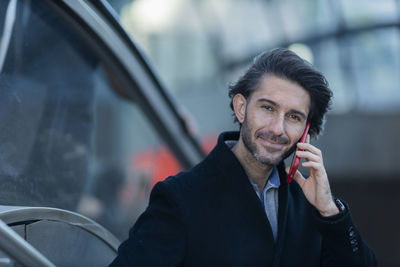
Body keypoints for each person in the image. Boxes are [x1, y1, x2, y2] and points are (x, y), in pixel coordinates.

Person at [110, 48, 377, 266]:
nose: (277, 129)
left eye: (294, 117)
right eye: (267, 108)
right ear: (241, 108)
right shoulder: (181, 197)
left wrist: (330, 212)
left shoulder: (309, 204)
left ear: (306, 130)